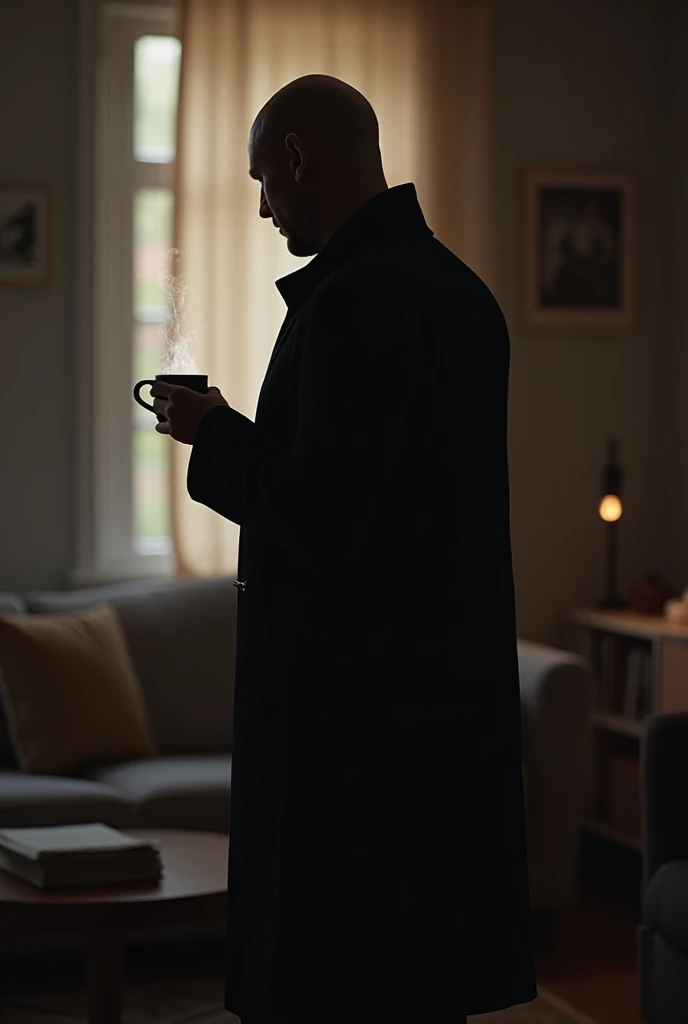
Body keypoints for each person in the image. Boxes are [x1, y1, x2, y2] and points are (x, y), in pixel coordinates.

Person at [152, 74, 537, 1024]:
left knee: (331, 984)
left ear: (298, 158)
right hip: (441, 720)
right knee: (418, 984)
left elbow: (319, 510)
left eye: (261, 182)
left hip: (348, 727)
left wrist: (212, 433)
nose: (260, 207)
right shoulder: (462, 296)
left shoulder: (350, 303)